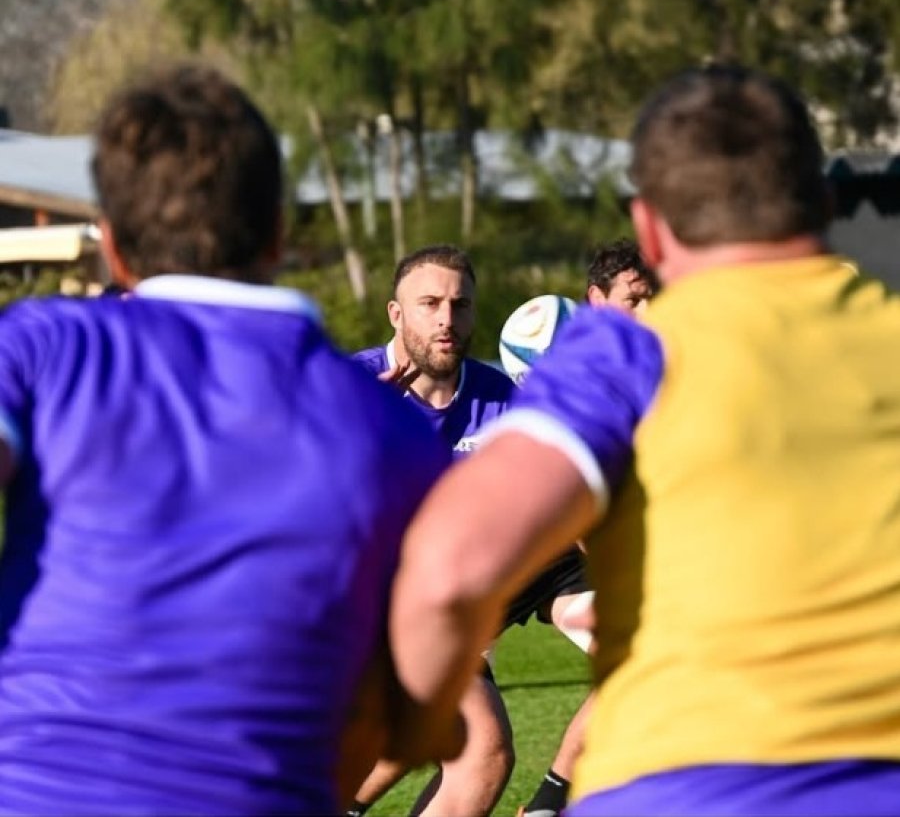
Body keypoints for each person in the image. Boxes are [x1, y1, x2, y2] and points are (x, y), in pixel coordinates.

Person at [387, 64, 900, 816]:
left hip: (674, 791)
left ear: (651, 225)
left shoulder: (624, 357)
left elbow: (451, 564)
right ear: (823, 202)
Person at [0, 65, 454, 815]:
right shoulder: (396, 435)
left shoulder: (46, 347)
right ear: (279, 231)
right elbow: (409, 709)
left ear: (112, 246)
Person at [350, 245, 605, 817]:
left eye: (460, 305)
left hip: (450, 606)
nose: (447, 319)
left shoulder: (504, 396)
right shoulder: (347, 388)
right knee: (477, 746)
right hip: (361, 610)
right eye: (430, 303)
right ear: (396, 314)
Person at [516, 237, 655, 817]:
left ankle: (551, 803)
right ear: (595, 299)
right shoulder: (561, 366)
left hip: (562, 562)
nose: (648, 311)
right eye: (634, 298)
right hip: (517, 555)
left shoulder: (654, 367)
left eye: (654, 297)